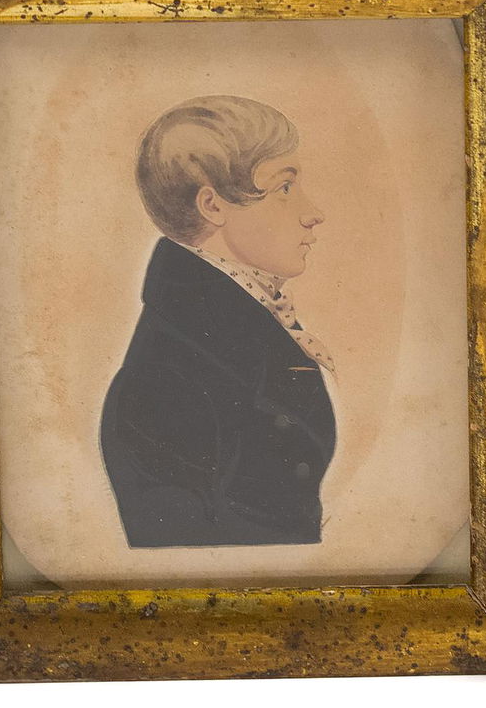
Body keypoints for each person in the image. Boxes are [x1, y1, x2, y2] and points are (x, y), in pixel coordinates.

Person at [101, 95, 336, 546]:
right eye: (285, 188)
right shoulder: (163, 382)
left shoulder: (234, 336)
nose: (313, 213)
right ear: (212, 206)